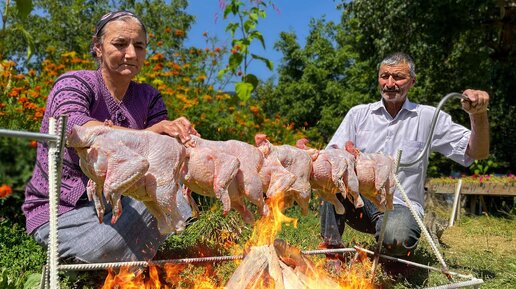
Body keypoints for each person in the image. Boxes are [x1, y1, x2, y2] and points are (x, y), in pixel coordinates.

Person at [22, 11, 197, 263]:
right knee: (103, 248)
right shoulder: (74, 83)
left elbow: (163, 150)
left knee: (174, 193)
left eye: (139, 46)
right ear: (98, 47)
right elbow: (75, 131)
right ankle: (132, 255)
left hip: (124, 202)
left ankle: (142, 257)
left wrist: (185, 139)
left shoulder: (149, 97)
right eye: (119, 44)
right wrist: (152, 134)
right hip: (64, 212)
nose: (131, 54)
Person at [320, 52, 490, 261]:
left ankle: (390, 251)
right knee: (332, 178)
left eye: (398, 77)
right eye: (385, 76)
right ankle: (332, 252)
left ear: (412, 81)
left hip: (401, 204)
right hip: (361, 202)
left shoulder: (428, 117)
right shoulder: (359, 114)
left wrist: (478, 114)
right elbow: (331, 156)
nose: (390, 84)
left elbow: (477, 152)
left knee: (397, 238)